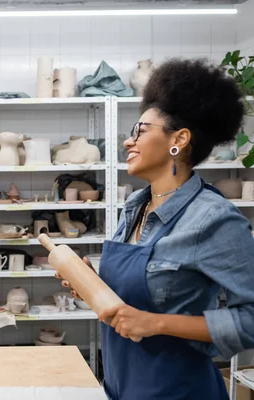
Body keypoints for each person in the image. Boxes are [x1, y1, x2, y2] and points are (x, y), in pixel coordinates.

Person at [59, 58, 254, 399]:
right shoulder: (136, 205)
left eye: (140, 131)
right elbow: (136, 296)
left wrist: (155, 323)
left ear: (178, 139)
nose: (127, 142)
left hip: (178, 391)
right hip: (121, 386)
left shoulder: (214, 219)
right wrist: (92, 284)